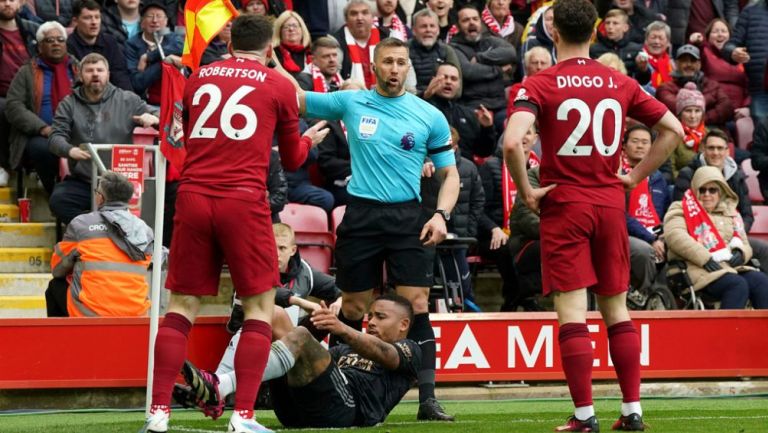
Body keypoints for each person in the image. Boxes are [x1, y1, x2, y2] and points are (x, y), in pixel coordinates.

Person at [140, 14, 329, 433]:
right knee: (260, 309)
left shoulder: (199, 77)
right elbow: (295, 160)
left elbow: (187, 135)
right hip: (243, 201)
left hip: (193, 196)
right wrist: (308, 142)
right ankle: (243, 417)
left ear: (229, 43)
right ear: (270, 47)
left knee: (180, 309)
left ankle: (158, 414)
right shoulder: (278, 84)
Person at [503, 0, 683, 430]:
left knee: (572, 311)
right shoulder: (618, 81)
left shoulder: (540, 83)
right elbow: (674, 130)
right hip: (608, 204)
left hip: (565, 203)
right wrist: (633, 175)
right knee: (617, 309)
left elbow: (512, 142)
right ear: (596, 30)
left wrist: (526, 191)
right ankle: (632, 410)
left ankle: (585, 415)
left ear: (554, 32)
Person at [281, 36, 460, 421]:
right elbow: (296, 98)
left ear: (408, 66)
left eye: (401, 62)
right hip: (361, 216)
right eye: (388, 62)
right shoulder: (351, 101)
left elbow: (450, 174)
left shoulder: (428, 115)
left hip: (408, 216)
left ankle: (427, 400)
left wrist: (441, 214)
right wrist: (267, 59)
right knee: (354, 307)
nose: (395, 69)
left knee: (415, 305)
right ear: (374, 67)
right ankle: (334, 380)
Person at [181, 294, 422, 428]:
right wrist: (318, 320)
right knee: (274, 314)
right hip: (292, 412)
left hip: (347, 412)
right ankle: (221, 390)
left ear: (403, 325)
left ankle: (221, 387)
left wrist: (340, 327)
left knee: (302, 337)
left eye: (380, 317)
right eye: (370, 316)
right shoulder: (345, 349)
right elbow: (305, 353)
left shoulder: (410, 350)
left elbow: (385, 354)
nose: (371, 322)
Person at [48, 53, 159, 225]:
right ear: (80, 74)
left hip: (121, 181)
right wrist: (70, 150)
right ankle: (95, 234)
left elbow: (160, 115)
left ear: (108, 74)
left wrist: (154, 119)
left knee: (156, 202)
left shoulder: (127, 99)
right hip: (85, 180)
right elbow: (55, 137)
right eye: (89, 70)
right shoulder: (69, 103)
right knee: (59, 201)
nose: (95, 74)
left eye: (100, 70)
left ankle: (103, 232)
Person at [49, 171, 154, 317]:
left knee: (55, 286)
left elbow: (57, 269)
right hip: (136, 314)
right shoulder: (146, 231)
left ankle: (65, 339)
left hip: (90, 314)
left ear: (101, 198)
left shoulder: (82, 225)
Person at [664, 166, 768, 309]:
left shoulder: (730, 212)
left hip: (730, 267)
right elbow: (675, 236)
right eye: (702, 189)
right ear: (695, 190)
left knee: (761, 281)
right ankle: (728, 331)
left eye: (712, 190)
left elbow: (744, 242)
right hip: (696, 267)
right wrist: (704, 257)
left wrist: (741, 252)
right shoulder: (680, 208)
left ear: (721, 192)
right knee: (737, 285)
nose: (707, 194)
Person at [5, 21, 76, 196]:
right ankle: (55, 194)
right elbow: (14, 106)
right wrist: (42, 128)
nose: (56, 44)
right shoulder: (27, 72)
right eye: (49, 40)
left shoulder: (78, 68)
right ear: (40, 47)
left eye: (60, 39)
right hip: (40, 135)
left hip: (77, 131)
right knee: (42, 149)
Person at [421, 127, 485, 309]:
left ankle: (467, 312)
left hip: (459, 238)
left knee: (461, 286)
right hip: (427, 236)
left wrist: (469, 229)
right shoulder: (423, 167)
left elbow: (478, 200)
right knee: (428, 285)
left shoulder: (468, 167)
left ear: (456, 147)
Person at [620, 125, 671, 308]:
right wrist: (651, 238)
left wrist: (664, 235)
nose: (640, 146)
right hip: (624, 233)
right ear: (624, 146)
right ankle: (644, 297)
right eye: (635, 141)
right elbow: (620, 215)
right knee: (644, 251)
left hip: (656, 233)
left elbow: (666, 213)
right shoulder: (618, 174)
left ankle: (663, 300)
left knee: (677, 247)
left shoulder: (657, 178)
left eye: (645, 142)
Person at [450, 4, 516, 120]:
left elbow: (510, 53)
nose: (472, 23)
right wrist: (499, 69)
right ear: (458, 26)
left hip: (500, 105)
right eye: (466, 20)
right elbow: (469, 72)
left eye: (475, 19)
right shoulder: (454, 47)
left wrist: (480, 58)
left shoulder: (490, 40)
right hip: (472, 106)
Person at [0, 0, 40, 186]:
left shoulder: (33, 30)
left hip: (31, 93)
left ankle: (38, 168)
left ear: (21, 2)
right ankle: (3, 166)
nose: (7, 3)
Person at [423, 63, 496, 160]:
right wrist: (425, 97)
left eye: (453, 79)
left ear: (459, 84)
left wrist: (487, 129)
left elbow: (483, 152)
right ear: (433, 80)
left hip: (464, 169)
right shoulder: (423, 107)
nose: (448, 82)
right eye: (444, 77)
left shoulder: (468, 114)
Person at [656, 44, 733, 129]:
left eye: (693, 61)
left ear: (699, 64)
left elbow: (726, 107)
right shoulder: (665, 88)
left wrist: (702, 119)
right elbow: (676, 109)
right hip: (679, 131)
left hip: (711, 130)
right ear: (677, 64)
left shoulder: (713, 85)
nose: (689, 64)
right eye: (684, 61)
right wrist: (708, 101)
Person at [124, 0, 184, 105]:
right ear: (141, 23)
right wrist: (165, 63)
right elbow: (137, 82)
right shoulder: (132, 44)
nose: (155, 20)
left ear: (166, 22)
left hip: (176, 101)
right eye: (150, 16)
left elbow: (181, 48)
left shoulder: (174, 38)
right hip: (147, 104)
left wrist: (149, 56)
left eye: (159, 16)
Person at [689, 18, 750, 119]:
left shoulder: (740, 56)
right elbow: (694, 54)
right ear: (708, 36)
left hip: (740, 113)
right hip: (714, 112)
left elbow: (751, 86)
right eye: (715, 31)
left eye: (723, 31)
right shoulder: (705, 52)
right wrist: (695, 42)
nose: (720, 34)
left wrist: (747, 107)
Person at [67, 0, 133, 92]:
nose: (94, 22)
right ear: (75, 21)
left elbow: (119, 75)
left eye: (97, 17)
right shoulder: (68, 46)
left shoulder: (110, 42)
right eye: (87, 18)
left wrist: (128, 100)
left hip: (110, 97)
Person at [721, 1, 768, 121]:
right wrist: (733, 52)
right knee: (762, 134)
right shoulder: (750, 12)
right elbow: (730, 45)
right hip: (760, 91)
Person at [332, 0, 391, 89]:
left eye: (365, 13)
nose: (359, 18)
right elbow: (334, 76)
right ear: (346, 19)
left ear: (372, 16)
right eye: (354, 14)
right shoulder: (335, 42)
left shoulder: (387, 37)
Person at [408, 8, 460, 96]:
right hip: (413, 102)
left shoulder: (447, 51)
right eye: (423, 26)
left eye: (432, 26)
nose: (428, 30)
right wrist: (424, 94)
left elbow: (457, 89)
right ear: (414, 30)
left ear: (438, 30)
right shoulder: (404, 50)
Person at [668, 82, 708, 179]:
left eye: (697, 111)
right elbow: (671, 171)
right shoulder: (672, 136)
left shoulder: (710, 134)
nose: (693, 116)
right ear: (680, 114)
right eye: (688, 111)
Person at [589, 9, 642, 75]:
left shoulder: (636, 49)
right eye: (607, 23)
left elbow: (643, 80)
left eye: (615, 23)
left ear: (625, 27)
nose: (610, 27)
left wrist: (643, 69)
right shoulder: (594, 49)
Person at [634, 20, 673, 94]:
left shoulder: (672, 64)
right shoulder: (638, 58)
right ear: (646, 40)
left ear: (668, 42)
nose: (656, 42)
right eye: (653, 37)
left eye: (661, 38)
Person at [272, 11, 311, 79]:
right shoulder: (273, 54)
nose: (291, 29)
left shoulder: (312, 52)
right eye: (286, 27)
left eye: (294, 26)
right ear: (279, 32)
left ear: (302, 29)